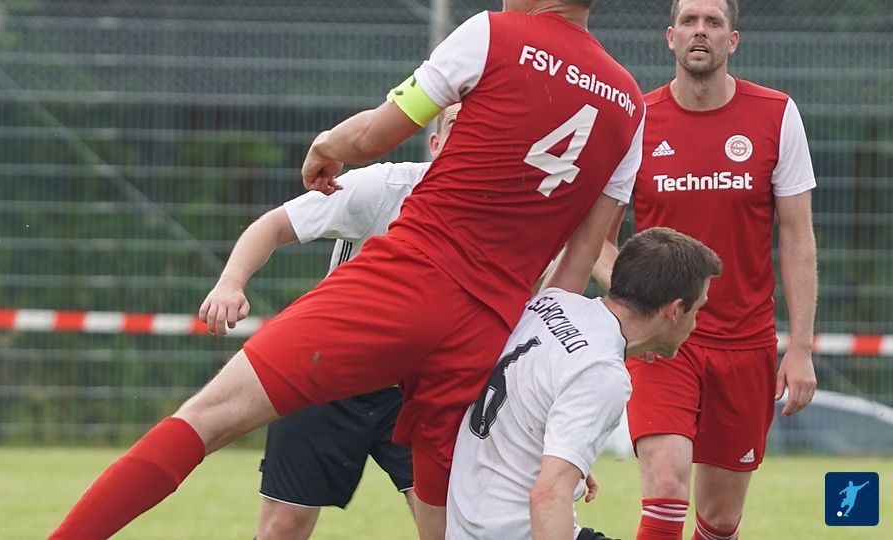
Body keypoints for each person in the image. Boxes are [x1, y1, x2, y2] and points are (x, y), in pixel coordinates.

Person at [49, 1, 645, 539]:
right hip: (489, 328)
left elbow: (371, 137)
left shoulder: (494, 33)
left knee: (208, 418)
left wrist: (326, 145)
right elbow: (582, 258)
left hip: (409, 280)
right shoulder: (630, 105)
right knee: (450, 526)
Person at [578, 1, 818, 538]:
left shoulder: (777, 115)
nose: (700, 31)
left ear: (733, 40)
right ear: (671, 36)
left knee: (721, 518)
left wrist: (800, 347)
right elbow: (596, 242)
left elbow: (797, 236)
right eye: (689, 21)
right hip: (661, 342)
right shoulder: (637, 121)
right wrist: (640, 305)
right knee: (666, 487)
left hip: (745, 343)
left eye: (714, 22)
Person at [198, 104, 458, 539]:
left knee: (449, 526)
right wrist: (230, 283)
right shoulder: (384, 186)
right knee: (283, 526)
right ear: (435, 144)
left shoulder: (508, 211)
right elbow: (274, 224)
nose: (468, 132)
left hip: (420, 389)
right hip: (329, 374)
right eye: (455, 124)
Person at [447, 227, 722, 540]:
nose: (695, 323)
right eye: (697, 309)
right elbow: (548, 496)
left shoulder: (553, 303)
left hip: (471, 521)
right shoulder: (602, 372)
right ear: (674, 311)